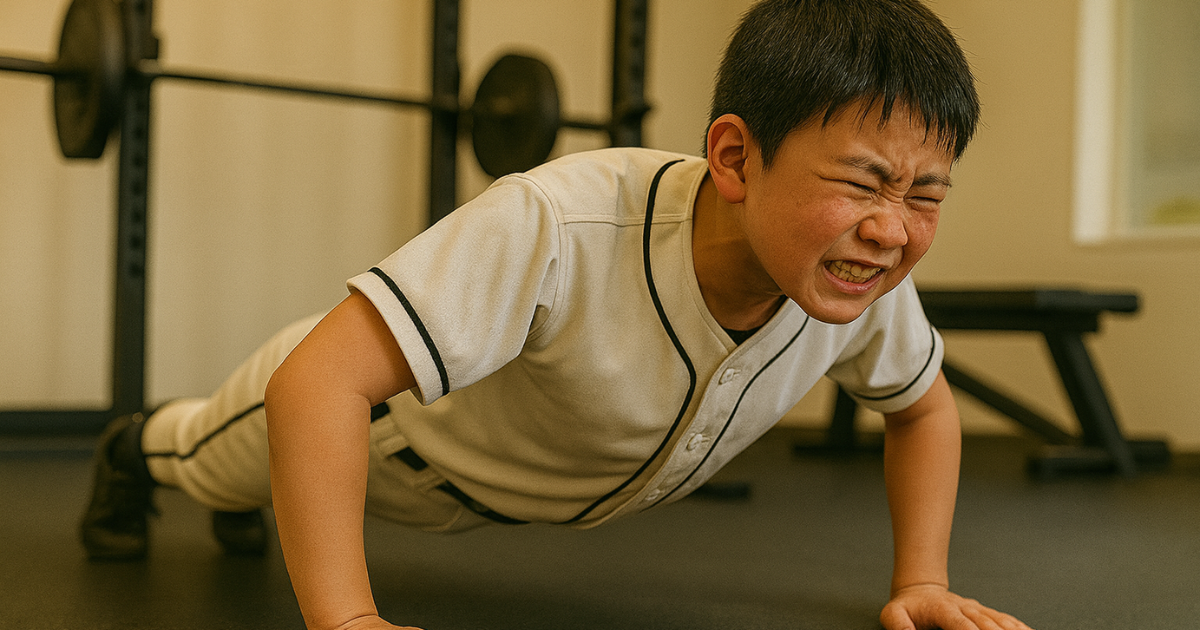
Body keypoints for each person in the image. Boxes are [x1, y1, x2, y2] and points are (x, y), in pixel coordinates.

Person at [79, 1, 1035, 629]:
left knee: (242, 488)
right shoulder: (563, 220)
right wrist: (349, 622)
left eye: (927, 196)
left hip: (501, 482)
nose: (893, 229)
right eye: (865, 182)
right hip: (383, 442)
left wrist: (921, 583)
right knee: (205, 457)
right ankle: (132, 449)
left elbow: (922, 408)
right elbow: (318, 385)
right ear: (738, 160)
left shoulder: (858, 278)